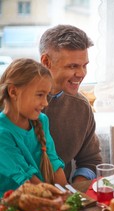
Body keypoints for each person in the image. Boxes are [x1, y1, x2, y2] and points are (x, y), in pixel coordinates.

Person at [39, 25, 102, 183]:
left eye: (84, 65)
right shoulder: (9, 103)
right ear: (46, 62)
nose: (81, 74)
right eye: (72, 66)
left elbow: (90, 161)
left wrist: (75, 192)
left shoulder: (81, 107)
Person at [0, 58, 67, 196]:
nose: (45, 103)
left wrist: (67, 193)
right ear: (13, 92)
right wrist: (56, 199)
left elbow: (53, 161)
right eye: (40, 95)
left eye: (47, 95)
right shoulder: (2, 132)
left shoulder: (42, 120)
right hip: (11, 206)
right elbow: (27, 179)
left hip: (42, 195)